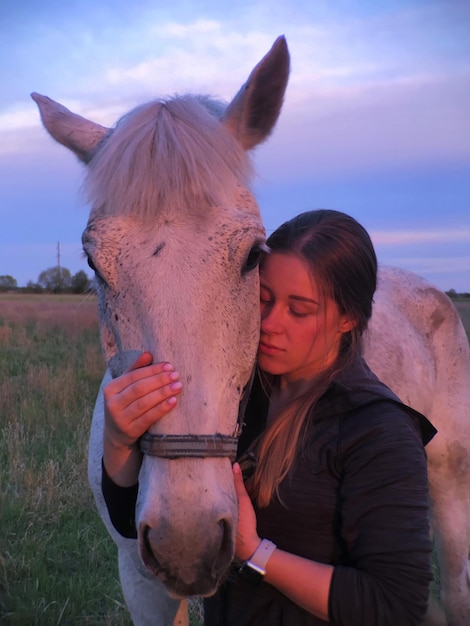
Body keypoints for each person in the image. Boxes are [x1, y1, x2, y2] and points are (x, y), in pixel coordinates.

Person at [101, 209, 436, 625]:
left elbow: (395, 606)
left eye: (300, 310)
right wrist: (117, 443)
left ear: (348, 318)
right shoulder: (237, 395)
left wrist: (257, 553)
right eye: (263, 299)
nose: (271, 324)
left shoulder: (378, 432)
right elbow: (136, 525)